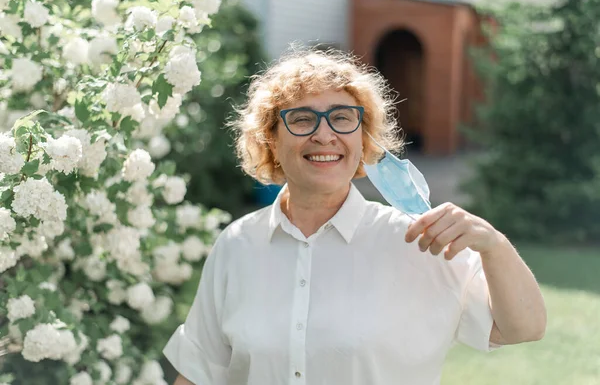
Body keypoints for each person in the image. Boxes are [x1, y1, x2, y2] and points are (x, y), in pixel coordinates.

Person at [164, 47, 546, 385]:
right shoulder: (237, 244)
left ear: (363, 141)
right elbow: (200, 372)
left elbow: (523, 327)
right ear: (270, 141)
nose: (324, 135)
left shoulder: (418, 241)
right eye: (301, 119)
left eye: (342, 118)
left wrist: (493, 245)